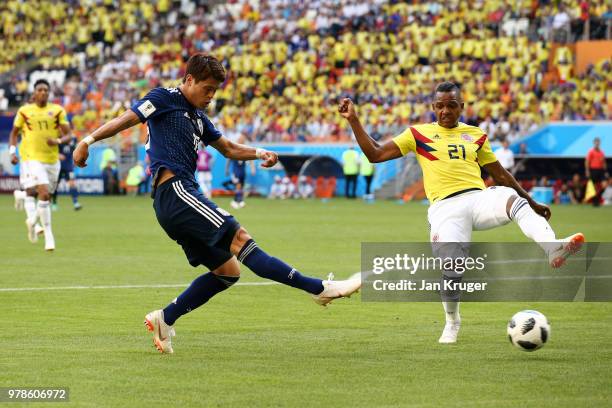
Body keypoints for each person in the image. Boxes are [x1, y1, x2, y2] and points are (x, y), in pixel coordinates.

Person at [73, 54, 360, 354]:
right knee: (240, 239)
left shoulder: (199, 118)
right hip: (176, 191)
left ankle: (165, 318)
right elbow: (128, 118)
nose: (211, 96)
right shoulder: (164, 97)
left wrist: (260, 152)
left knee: (228, 271)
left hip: (178, 200)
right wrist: (87, 141)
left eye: (215, 91)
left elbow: (229, 148)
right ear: (188, 80)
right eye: (207, 88)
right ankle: (319, 289)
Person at [339, 81, 584, 344]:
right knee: (452, 269)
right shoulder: (418, 134)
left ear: (461, 107)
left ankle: (552, 247)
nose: (445, 111)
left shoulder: (476, 135)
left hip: (477, 199)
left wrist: (532, 202)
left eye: (451, 105)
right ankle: (452, 322)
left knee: (512, 199)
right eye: (440, 106)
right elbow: (375, 154)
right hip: (445, 209)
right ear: (434, 107)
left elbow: (500, 174)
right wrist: (354, 120)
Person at [9, 79, 73, 251]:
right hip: (31, 158)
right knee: (41, 192)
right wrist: (12, 152)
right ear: (34, 93)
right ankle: (48, 236)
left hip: (52, 160)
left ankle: (30, 217)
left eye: (46, 90)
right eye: (40, 89)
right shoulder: (24, 111)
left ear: (49, 93)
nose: (43, 92)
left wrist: (57, 140)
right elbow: (14, 133)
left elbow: (69, 135)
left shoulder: (57, 110)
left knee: (43, 196)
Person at [51, 135, 82, 210]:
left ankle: (76, 203)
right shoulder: (57, 138)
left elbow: (75, 150)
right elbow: (51, 150)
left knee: (72, 183)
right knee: (55, 185)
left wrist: (75, 160)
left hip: (69, 167)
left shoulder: (73, 138)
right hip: (57, 166)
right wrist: (57, 155)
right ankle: (54, 203)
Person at [585, 137, 608, 207]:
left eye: (598, 142)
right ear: (594, 143)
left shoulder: (601, 152)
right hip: (593, 170)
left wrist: (605, 171)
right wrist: (587, 170)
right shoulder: (591, 151)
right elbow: (587, 161)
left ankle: (597, 198)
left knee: (604, 185)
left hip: (601, 170)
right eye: (596, 142)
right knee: (594, 187)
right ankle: (595, 201)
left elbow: (604, 162)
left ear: (599, 143)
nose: (597, 143)